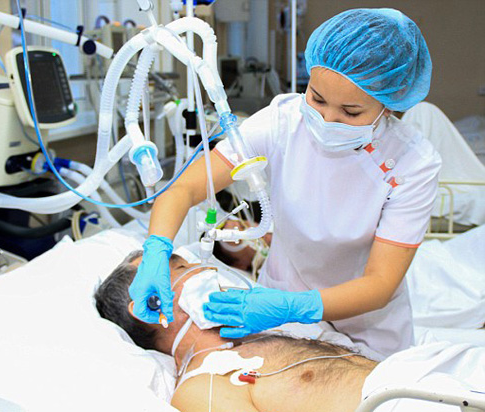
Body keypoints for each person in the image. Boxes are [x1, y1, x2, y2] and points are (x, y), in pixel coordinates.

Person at [128, 8, 442, 358]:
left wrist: (293, 306)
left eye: (351, 112)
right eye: (317, 98)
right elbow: (184, 188)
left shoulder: (413, 164)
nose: (326, 119)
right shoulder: (283, 121)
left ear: (388, 106)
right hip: (280, 305)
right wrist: (156, 249)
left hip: (365, 325)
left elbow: (380, 283)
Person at [96, 252, 485, 412]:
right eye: (180, 267)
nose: (204, 268)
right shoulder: (201, 388)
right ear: (150, 306)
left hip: (429, 380)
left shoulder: (270, 333)